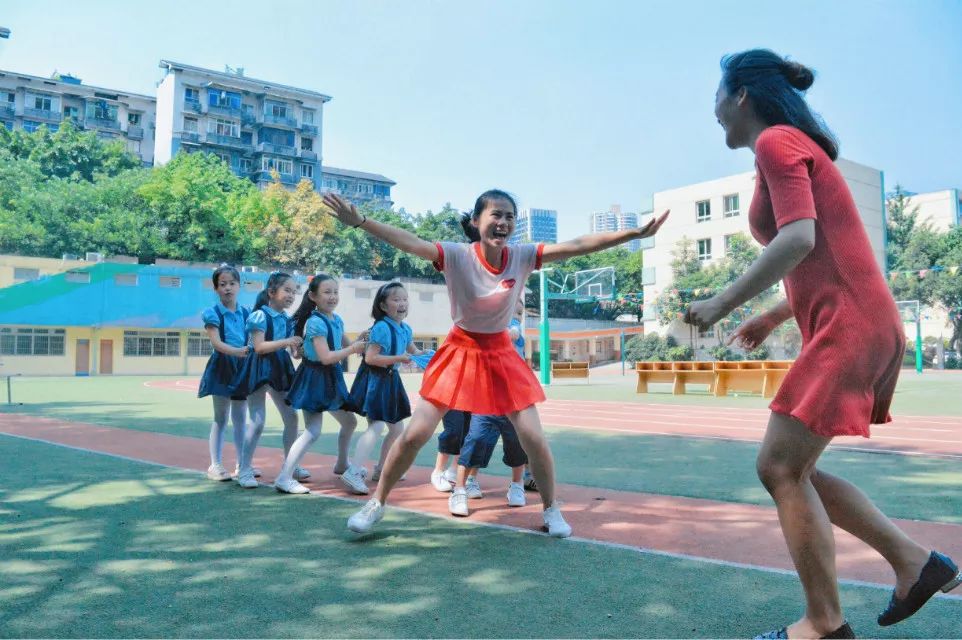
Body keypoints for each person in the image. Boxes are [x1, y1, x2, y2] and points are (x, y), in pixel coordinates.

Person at [686, 48, 959, 639]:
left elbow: (800, 238)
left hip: (851, 327)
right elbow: (828, 253)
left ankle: (823, 625)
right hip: (861, 320)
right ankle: (916, 564)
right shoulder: (787, 147)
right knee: (793, 469)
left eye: (716, 96)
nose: (712, 111)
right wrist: (772, 315)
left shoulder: (775, 141)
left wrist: (721, 304)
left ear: (741, 96)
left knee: (779, 467)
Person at [324, 189, 667, 537]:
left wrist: (634, 234)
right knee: (415, 434)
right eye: (495, 215)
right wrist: (361, 222)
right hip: (460, 350)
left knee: (533, 437)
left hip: (501, 354)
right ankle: (377, 503)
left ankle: (550, 509)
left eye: (509, 217)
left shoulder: (522, 256)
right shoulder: (456, 255)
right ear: (477, 222)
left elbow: (578, 245)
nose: (503, 222)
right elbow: (411, 242)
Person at [274, 274, 366, 494]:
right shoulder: (315, 322)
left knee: (349, 422)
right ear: (313, 296)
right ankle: (284, 476)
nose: (333, 296)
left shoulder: (336, 319)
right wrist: (353, 349)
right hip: (315, 378)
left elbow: (347, 345)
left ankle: (342, 464)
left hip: (331, 378)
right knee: (313, 431)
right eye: (327, 292)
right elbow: (326, 357)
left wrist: (361, 339)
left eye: (335, 292)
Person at [230, 272, 303, 489]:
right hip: (259, 367)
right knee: (258, 420)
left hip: (280, 367)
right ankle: (244, 469)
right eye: (287, 290)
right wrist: (288, 341)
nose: (291, 295)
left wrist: (298, 348)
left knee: (291, 417)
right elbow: (260, 347)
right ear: (271, 292)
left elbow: (292, 352)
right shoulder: (259, 316)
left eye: (294, 291)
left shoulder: (287, 320)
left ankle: (291, 466)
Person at [198, 265, 250, 482]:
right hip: (222, 367)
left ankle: (242, 463)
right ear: (216, 288)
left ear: (239, 285)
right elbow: (217, 343)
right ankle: (215, 464)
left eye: (232, 283)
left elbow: (252, 339)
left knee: (240, 419)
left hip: (242, 368)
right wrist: (239, 351)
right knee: (221, 418)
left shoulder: (247, 312)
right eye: (223, 284)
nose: (228, 288)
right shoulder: (212, 313)